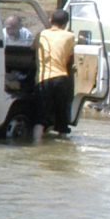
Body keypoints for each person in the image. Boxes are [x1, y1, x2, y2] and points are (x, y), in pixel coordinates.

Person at [34, 10, 77, 142]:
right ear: (66, 23)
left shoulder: (41, 34)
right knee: (62, 111)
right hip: (61, 77)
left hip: (43, 78)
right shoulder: (70, 36)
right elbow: (71, 56)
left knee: (41, 114)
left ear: (51, 20)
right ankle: (63, 137)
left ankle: (36, 143)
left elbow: (32, 48)